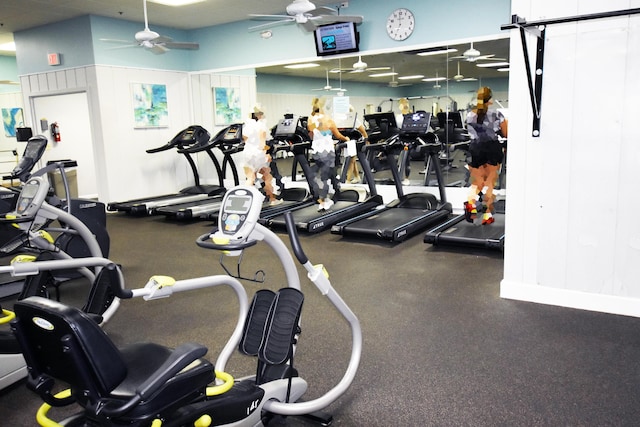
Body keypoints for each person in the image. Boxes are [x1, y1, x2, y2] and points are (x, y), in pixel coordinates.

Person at [464, 86, 507, 225]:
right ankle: (487, 215)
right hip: (491, 147)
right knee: (489, 182)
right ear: (490, 100)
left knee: (477, 182)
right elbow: (507, 134)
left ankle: (471, 202)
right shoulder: (497, 114)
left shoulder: (470, 115)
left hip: (475, 148)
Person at [308, 97, 350, 211]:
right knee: (325, 176)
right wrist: (346, 139)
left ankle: (336, 190)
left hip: (316, 151)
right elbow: (338, 135)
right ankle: (324, 201)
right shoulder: (328, 119)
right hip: (327, 151)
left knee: (329, 172)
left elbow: (311, 135)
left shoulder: (310, 119)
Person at [242, 104, 281, 206]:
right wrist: (268, 153)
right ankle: (273, 199)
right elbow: (262, 144)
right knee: (267, 176)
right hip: (259, 154)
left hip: (247, 153)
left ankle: (245, 202)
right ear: (259, 115)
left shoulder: (246, 126)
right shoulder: (261, 125)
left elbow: (245, 140)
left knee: (251, 178)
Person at [345, 105, 368, 184]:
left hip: (356, 141)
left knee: (351, 161)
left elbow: (363, 132)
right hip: (348, 141)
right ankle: (357, 177)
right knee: (352, 160)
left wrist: (367, 141)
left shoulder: (355, 120)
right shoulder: (343, 121)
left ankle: (347, 180)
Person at [395, 98, 412, 185]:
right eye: (402, 103)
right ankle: (398, 177)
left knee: (406, 160)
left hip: (408, 139)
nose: (404, 105)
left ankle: (407, 178)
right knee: (398, 159)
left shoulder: (411, 116)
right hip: (399, 138)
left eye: (405, 103)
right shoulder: (398, 117)